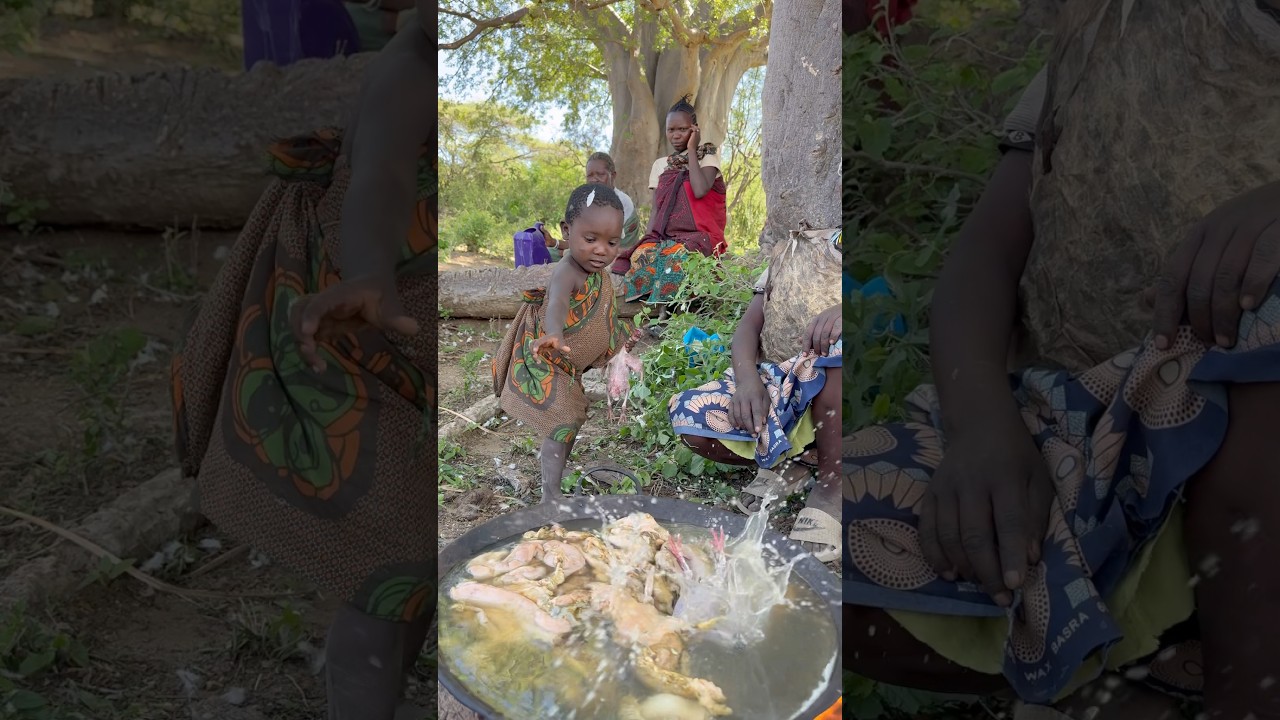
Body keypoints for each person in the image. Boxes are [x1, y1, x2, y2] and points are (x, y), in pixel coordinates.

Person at [842, 3, 1280, 719]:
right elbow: (985, 253)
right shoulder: (1115, 27)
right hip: (1093, 427)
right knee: (819, 555)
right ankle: (1157, 661)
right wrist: (984, 428)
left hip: (1247, 457)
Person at [169, 11, 434, 720]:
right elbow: (378, 177)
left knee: (417, 568)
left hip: (420, 342)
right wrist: (372, 271)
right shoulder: (409, 67)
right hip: (358, 322)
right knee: (392, 557)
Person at [668, 231, 843, 562]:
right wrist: (749, 381)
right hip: (786, 383)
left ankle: (835, 484)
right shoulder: (793, 251)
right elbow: (749, 326)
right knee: (691, 417)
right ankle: (794, 462)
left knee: (838, 344)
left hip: (843, 393)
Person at [492, 183, 633, 496]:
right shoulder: (567, 271)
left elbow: (604, 314)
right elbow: (556, 302)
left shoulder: (600, 275)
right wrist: (553, 331)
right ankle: (551, 493)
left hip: (569, 364)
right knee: (564, 418)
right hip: (547, 355)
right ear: (567, 232)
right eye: (591, 239)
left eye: (612, 242)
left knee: (573, 419)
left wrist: (620, 345)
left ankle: (557, 470)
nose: (602, 250)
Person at [618, 95, 729, 305]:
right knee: (643, 254)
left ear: (694, 129)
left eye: (683, 129)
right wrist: (649, 238)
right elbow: (655, 210)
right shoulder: (661, 165)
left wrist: (692, 151)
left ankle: (666, 312)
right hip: (667, 235)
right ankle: (648, 306)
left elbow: (699, 189)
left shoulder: (707, 155)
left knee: (674, 256)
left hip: (702, 236)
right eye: (671, 130)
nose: (676, 135)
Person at [540, 151, 640, 265]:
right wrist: (554, 242)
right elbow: (584, 241)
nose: (594, 179)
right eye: (590, 176)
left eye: (600, 174)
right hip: (592, 251)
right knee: (545, 252)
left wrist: (565, 253)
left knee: (556, 257)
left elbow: (607, 245)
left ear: (613, 175)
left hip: (617, 256)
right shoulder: (589, 201)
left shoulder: (621, 202)